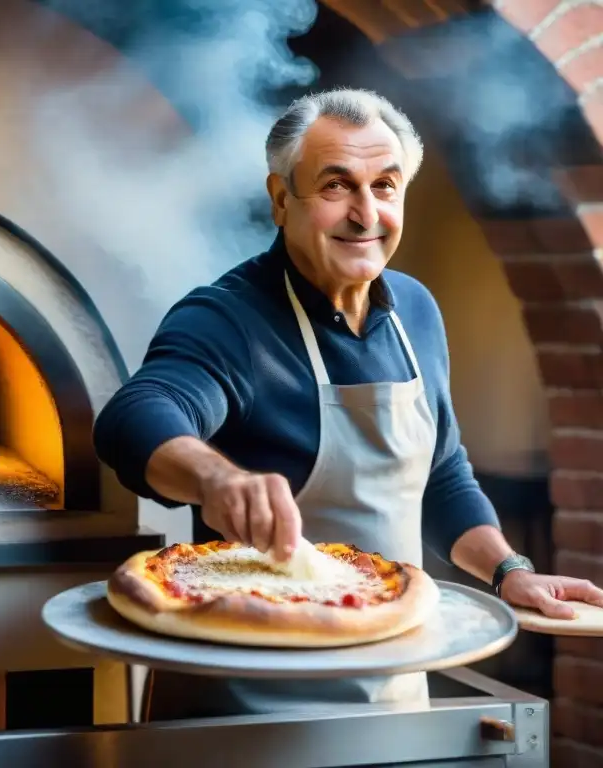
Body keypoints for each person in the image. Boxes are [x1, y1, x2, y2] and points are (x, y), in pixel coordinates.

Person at [93, 87, 603, 719]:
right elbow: (136, 414)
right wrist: (217, 477)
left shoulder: (415, 309)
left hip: (391, 690)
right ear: (282, 199)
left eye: (385, 187)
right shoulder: (229, 318)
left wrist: (510, 570)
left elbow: (441, 475)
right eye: (337, 187)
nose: (367, 215)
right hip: (246, 706)